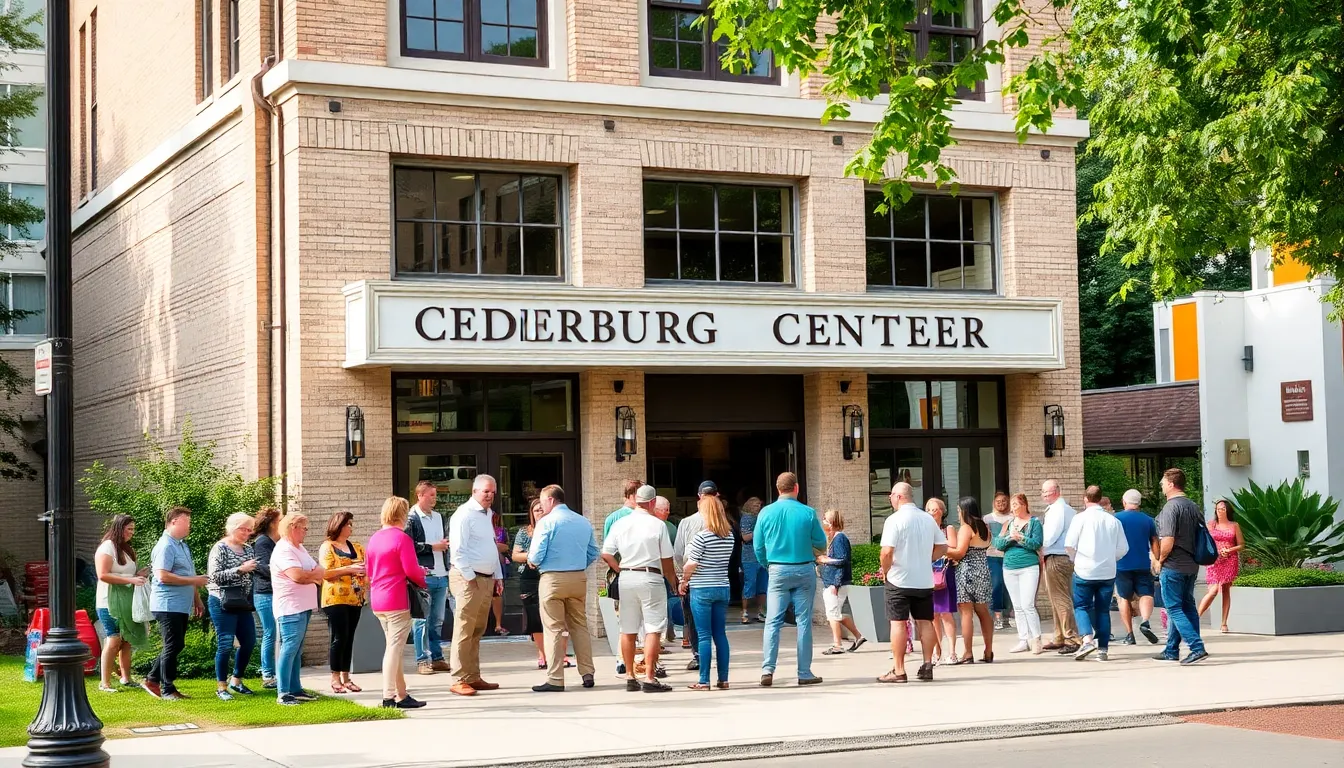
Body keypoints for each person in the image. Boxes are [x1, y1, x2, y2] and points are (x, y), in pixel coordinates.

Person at [601, 484, 677, 693]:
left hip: (627, 575)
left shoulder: (621, 523)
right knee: (652, 628)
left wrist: (619, 569)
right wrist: (672, 581)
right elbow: (667, 559)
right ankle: (650, 677)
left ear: (636, 500)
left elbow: (606, 553)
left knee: (628, 628)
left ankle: (630, 675)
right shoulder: (658, 525)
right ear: (652, 502)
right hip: (650, 575)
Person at [754, 472, 826, 687]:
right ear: (796, 488)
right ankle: (804, 672)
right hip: (803, 568)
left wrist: (767, 564)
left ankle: (768, 668)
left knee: (772, 621)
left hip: (777, 568)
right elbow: (821, 542)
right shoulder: (807, 512)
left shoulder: (766, 513)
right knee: (804, 622)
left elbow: (758, 546)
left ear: (778, 489)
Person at [528, 484, 600, 692]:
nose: (541, 507)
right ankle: (588, 673)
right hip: (578, 577)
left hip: (552, 578)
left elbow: (535, 555)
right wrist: (578, 564)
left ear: (550, 500)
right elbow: (593, 551)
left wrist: (534, 562)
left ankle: (555, 678)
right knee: (580, 626)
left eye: (542, 502)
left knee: (553, 629)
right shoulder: (583, 521)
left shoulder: (547, 522)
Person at [876, 482, 948, 683]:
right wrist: (927, 559)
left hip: (899, 579)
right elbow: (943, 546)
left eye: (891, 495)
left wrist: (886, 569)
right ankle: (927, 664)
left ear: (898, 496)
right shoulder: (927, 519)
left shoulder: (894, 520)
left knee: (898, 622)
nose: (890, 498)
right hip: (923, 580)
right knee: (925, 621)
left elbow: (887, 551)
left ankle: (899, 669)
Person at [365, 496, 428, 709]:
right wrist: (422, 576)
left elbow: (369, 571)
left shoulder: (374, 538)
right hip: (397, 598)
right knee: (393, 648)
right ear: (402, 515)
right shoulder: (402, 539)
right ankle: (388, 696)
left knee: (395, 648)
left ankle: (402, 694)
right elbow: (411, 570)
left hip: (378, 599)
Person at [448, 474, 506, 696]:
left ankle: (473, 676)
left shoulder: (487, 514)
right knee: (464, 628)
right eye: (486, 491)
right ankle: (459, 678)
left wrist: (497, 576)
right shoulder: (463, 514)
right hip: (468, 579)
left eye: (493, 491)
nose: (490, 495)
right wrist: (471, 578)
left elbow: (490, 547)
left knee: (477, 629)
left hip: (486, 578)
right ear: (474, 491)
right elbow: (458, 551)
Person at [144, 506, 207, 701]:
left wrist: (197, 599)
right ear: (174, 522)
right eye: (186, 522)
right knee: (173, 644)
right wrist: (194, 582)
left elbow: (189, 575)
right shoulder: (166, 545)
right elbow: (162, 576)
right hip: (167, 604)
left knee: (176, 644)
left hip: (180, 604)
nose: (190, 526)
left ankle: (152, 679)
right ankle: (167, 688)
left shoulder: (181, 545)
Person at [1065, 486, 1128, 661]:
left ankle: (1087, 640)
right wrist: (1110, 558)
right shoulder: (1113, 521)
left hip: (1084, 570)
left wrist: (1074, 559)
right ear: (1100, 499)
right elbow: (1123, 548)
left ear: (1085, 498)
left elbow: (1069, 545)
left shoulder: (1079, 519)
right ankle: (1103, 650)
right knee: (1102, 610)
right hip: (1107, 572)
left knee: (1081, 606)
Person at [679, 494, 735, 691]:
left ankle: (704, 680)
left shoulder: (701, 537)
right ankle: (723, 679)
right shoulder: (729, 536)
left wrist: (684, 580)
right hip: (722, 587)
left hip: (702, 588)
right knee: (720, 634)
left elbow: (691, 563)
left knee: (703, 636)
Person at [1154, 468, 1209, 664]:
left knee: (1174, 608)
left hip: (1173, 564)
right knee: (1188, 606)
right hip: (1192, 565)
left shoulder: (1170, 508)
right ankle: (1171, 650)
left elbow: (1167, 540)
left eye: (1162, 482)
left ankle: (1196, 647)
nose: (1161, 486)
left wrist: (1159, 560)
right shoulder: (1193, 506)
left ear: (1170, 484)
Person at [272, 512, 324, 705]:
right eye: (304, 528)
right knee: (290, 647)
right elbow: (297, 576)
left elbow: (319, 570)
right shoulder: (284, 549)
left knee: (297, 648)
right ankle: (283, 692)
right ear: (293, 527)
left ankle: (295, 688)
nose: (306, 532)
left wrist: (311, 574)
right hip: (290, 606)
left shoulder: (298, 548)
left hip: (304, 605)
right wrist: (312, 575)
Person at [206, 512, 258, 700]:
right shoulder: (220, 548)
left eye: (249, 530)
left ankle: (236, 680)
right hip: (222, 601)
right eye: (243, 529)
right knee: (226, 643)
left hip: (242, 603)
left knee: (249, 641)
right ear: (233, 528)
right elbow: (215, 576)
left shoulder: (248, 549)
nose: (247, 533)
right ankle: (221, 687)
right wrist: (240, 569)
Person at [94, 514, 146, 693]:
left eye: (133, 529)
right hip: (108, 601)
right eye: (129, 529)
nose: (132, 533)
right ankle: (105, 682)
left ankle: (126, 678)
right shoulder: (107, 547)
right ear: (119, 528)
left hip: (126, 601)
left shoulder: (126, 549)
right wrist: (131, 581)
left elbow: (125, 574)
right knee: (114, 639)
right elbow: (103, 575)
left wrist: (140, 574)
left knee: (126, 641)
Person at [318, 511, 368, 694]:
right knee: (338, 637)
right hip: (335, 599)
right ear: (338, 526)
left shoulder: (357, 547)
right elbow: (326, 573)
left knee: (349, 637)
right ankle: (335, 677)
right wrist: (350, 569)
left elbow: (366, 569)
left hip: (355, 598)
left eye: (351, 524)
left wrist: (364, 573)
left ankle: (347, 677)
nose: (350, 528)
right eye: (347, 524)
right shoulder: (327, 547)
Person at [405, 480, 450, 676]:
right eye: (431, 495)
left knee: (437, 619)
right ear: (420, 495)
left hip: (441, 573)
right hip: (423, 575)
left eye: (435, 495)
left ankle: (437, 657)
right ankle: (422, 660)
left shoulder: (439, 517)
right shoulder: (411, 519)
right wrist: (434, 546)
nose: (434, 499)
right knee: (422, 619)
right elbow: (410, 547)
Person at [992, 493, 1044, 654]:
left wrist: (1021, 537)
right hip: (1009, 567)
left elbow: (1037, 543)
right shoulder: (1009, 523)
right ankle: (1023, 639)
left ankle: (1036, 639)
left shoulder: (1034, 522)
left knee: (1028, 604)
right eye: (1012, 505)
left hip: (1028, 566)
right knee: (1018, 605)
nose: (1013, 508)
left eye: (1015, 505)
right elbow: (998, 544)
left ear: (1024, 505)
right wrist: (1009, 538)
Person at [946, 497, 994, 664]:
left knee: (966, 612)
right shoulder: (985, 527)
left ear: (964, 510)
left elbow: (959, 552)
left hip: (966, 570)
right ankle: (988, 651)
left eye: (959, 510)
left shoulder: (966, 528)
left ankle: (967, 653)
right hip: (983, 569)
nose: (958, 513)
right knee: (983, 611)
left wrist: (943, 549)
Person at [674, 480, 716, 670]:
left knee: (693, 620)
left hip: (694, 578)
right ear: (717, 495)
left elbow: (678, 553)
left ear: (699, 497)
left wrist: (682, 578)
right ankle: (720, 664)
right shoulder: (725, 525)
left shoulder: (687, 522)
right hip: (718, 579)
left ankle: (699, 656)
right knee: (716, 625)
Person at [514, 499, 557, 669]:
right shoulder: (525, 532)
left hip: (552, 575)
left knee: (555, 617)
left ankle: (559, 655)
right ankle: (543, 654)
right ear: (531, 513)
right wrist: (532, 556)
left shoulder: (555, 529)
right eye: (536, 510)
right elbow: (515, 555)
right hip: (530, 577)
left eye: (542, 509)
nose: (539, 512)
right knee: (535, 618)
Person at [1114, 489, 1160, 645]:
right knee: (1146, 594)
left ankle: (1129, 635)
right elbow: (1154, 541)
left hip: (1121, 565)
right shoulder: (1148, 520)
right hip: (1142, 563)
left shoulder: (1116, 519)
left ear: (1124, 501)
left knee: (1123, 598)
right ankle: (1145, 621)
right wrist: (1158, 559)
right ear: (1139, 503)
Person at [1040, 479, 1080, 654]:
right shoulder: (1066, 509)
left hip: (1057, 557)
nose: (1044, 495)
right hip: (1061, 557)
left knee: (1061, 598)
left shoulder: (1058, 510)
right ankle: (1059, 635)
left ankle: (1071, 638)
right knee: (1056, 598)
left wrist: (1038, 546)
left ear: (1056, 491)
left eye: (1047, 492)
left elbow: (1050, 536)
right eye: (1043, 492)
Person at [817, 509, 864, 655]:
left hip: (836, 583)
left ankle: (837, 644)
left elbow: (843, 560)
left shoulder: (839, 538)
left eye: (825, 519)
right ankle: (859, 636)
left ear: (831, 523)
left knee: (832, 614)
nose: (823, 522)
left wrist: (826, 561)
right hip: (833, 582)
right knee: (835, 613)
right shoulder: (834, 539)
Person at [1198, 499, 1244, 633]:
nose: (1220, 511)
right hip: (1214, 560)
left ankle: (1224, 622)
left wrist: (1230, 550)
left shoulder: (1234, 525)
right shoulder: (1211, 524)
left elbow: (1241, 544)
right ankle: (1196, 617)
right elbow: (1205, 540)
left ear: (1227, 510)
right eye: (1218, 509)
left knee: (1225, 590)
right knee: (1212, 591)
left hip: (1229, 559)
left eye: (1222, 509)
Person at [251, 506, 283, 689]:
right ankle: (268, 674)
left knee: (276, 633)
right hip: (265, 594)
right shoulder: (263, 542)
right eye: (280, 520)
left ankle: (276, 672)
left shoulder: (275, 542)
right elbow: (262, 567)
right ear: (272, 523)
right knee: (270, 632)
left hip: (275, 593)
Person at [924, 498, 959, 664]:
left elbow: (953, 548)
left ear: (942, 511)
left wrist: (938, 548)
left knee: (945, 613)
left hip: (944, 573)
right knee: (932, 616)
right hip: (927, 574)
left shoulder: (948, 529)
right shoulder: (924, 530)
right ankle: (936, 651)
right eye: (929, 510)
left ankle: (952, 652)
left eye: (935, 509)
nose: (932, 513)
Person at [985, 492, 1014, 631]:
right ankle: (997, 615)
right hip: (992, 555)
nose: (1001, 504)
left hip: (1009, 555)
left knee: (1008, 586)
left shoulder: (1012, 518)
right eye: (998, 501)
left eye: (1003, 501)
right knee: (996, 584)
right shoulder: (988, 519)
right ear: (993, 503)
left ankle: (1007, 615)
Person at [738, 496, 766, 624]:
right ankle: (745, 611)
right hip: (749, 556)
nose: (758, 507)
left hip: (762, 556)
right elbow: (745, 537)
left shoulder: (762, 517)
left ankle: (761, 611)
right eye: (755, 505)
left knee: (762, 586)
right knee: (750, 583)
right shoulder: (747, 518)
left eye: (759, 505)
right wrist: (759, 532)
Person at [491, 509, 511, 635]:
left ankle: (498, 625)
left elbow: (507, 547)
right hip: (479, 568)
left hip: (497, 565)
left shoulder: (501, 531)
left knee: (497, 595)